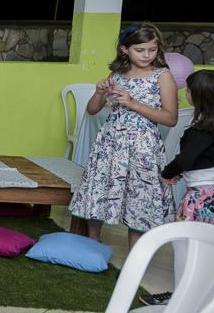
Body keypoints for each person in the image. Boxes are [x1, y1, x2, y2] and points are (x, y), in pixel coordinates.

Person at [140, 70, 214, 306]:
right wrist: (182, 172)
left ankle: (183, 297)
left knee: (185, 245)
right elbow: (205, 159)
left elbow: (185, 159)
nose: (185, 92)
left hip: (200, 199)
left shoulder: (200, 130)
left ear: (203, 98)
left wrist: (167, 173)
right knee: (213, 246)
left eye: (189, 90)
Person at [69, 22, 178, 249]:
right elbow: (92, 110)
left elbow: (170, 118)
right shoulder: (117, 74)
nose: (147, 55)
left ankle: (134, 258)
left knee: (139, 198)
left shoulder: (163, 76)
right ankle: (93, 244)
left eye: (152, 49)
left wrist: (133, 103)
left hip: (143, 145)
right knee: (99, 189)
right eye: (140, 50)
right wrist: (99, 93)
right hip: (110, 142)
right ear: (124, 49)